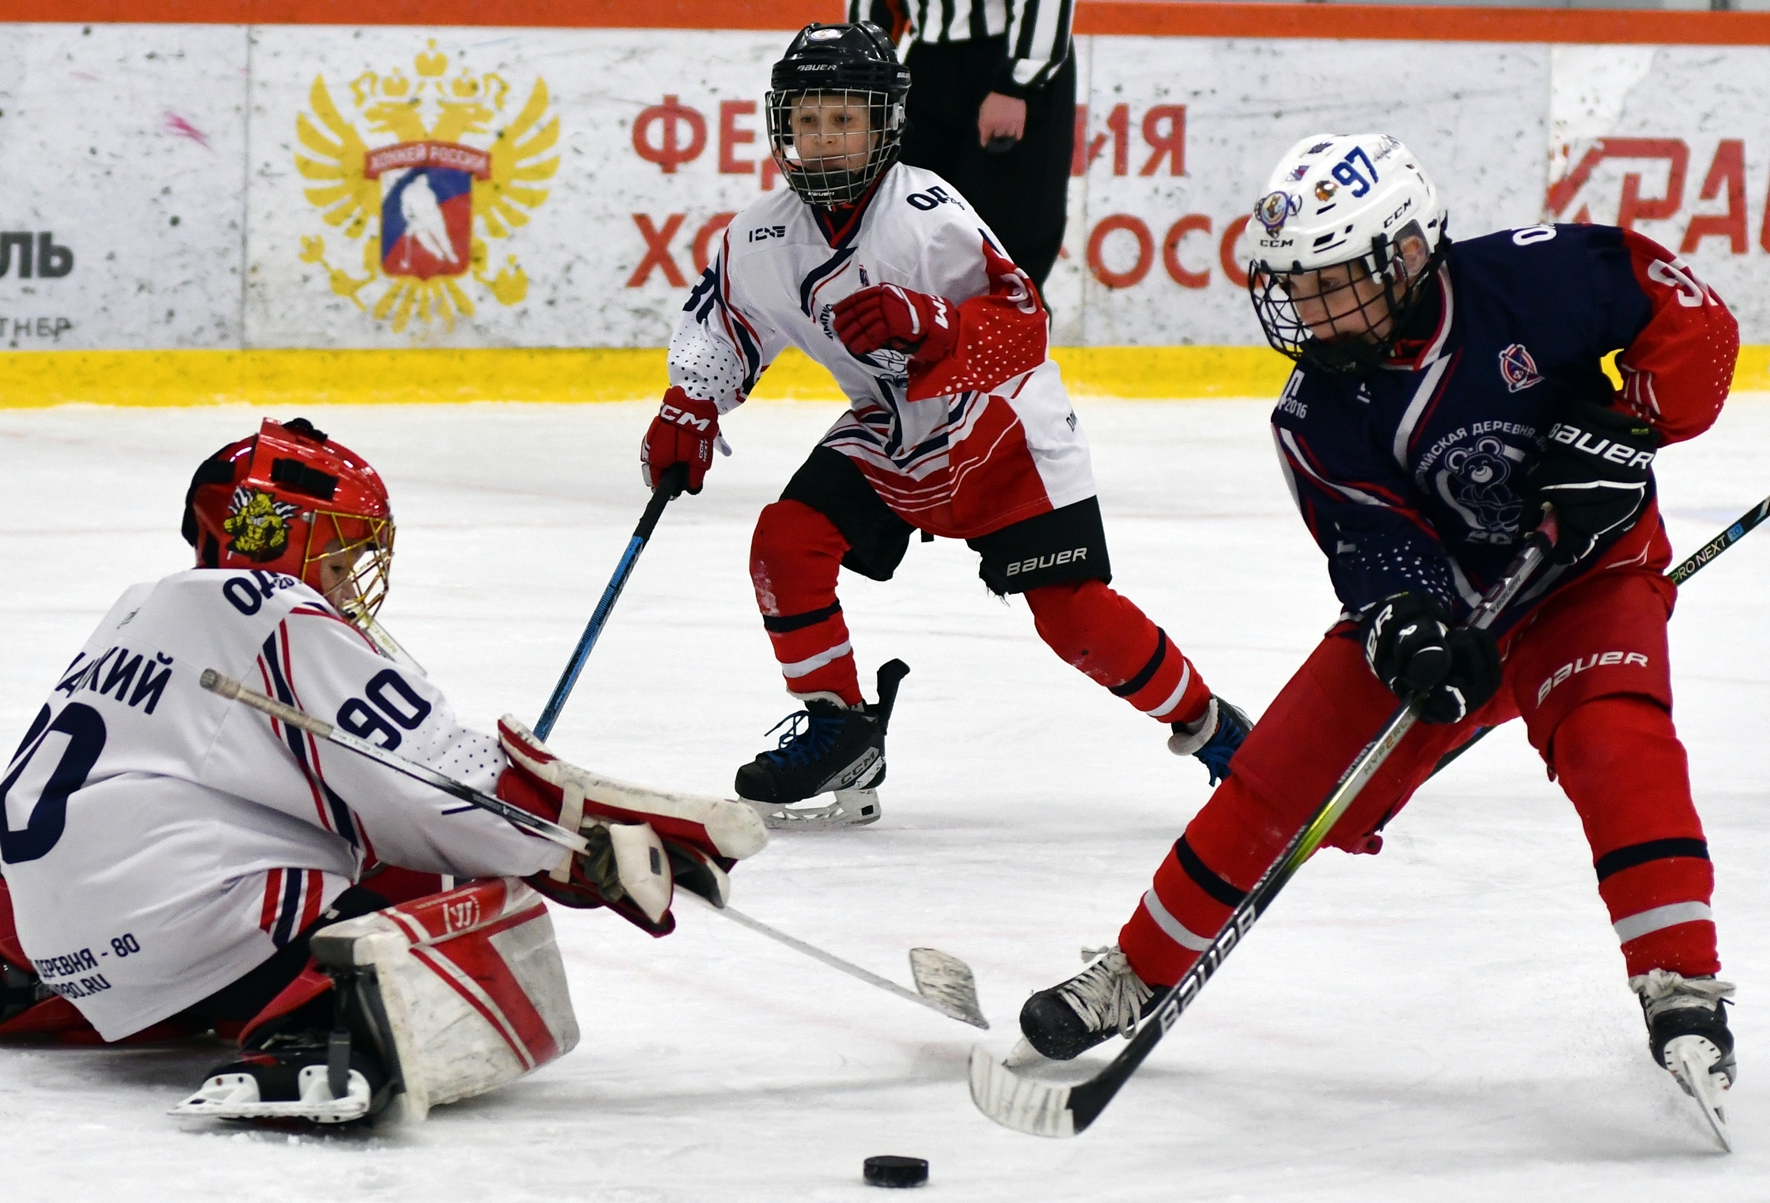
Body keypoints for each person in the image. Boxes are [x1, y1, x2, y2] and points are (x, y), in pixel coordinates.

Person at [1015, 132, 1743, 1134]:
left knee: (1616, 737)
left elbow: (1691, 317)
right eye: (1292, 288)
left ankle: (1681, 987)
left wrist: (1630, 425)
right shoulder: (1314, 411)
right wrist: (1411, 627)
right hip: (1462, 606)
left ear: (1404, 256)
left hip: (1590, 579)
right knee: (1272, 776)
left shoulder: (1538, 277)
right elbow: (1368, 544)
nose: (1305, 310)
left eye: (1327, 284)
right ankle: (1133, 972)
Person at [0, 416, 765, 1124]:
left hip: (66, 930)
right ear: (272, 532)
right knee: (469, 903)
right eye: (339, 548)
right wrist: (571, 851)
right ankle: (323, 1029)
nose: (348, 575)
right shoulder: (276, 606)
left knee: (311, 839)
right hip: (181, 917)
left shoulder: (145, 603)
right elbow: (421, 785)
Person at [641, 21, 1250, 828]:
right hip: (893, 428)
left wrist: (928, 322)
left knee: (1072, 615)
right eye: (809, 120)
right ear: (782, 125)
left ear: (883, 124)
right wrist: (690, 400)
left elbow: (1022, 323)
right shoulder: (759, 234)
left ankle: (1215, 731)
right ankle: (839, 727)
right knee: (786, 540)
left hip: (999, 423)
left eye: (845, 120)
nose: (824, 140)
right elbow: (725, 323)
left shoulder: (925, 214)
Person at [845, 0, 1075, 291]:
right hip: (927, 61)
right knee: (908, 224)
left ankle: (1003, 333)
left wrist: (1017, 83)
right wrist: (863, 74)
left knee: (1007, 240)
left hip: (1006, 60)